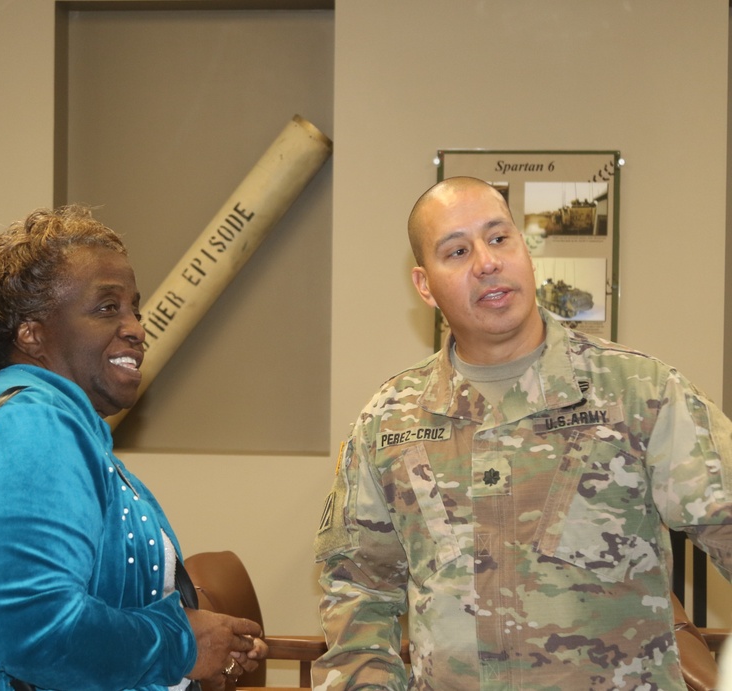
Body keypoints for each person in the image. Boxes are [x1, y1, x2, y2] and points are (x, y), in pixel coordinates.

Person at [313, 177, 732, 689]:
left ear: (525, 250)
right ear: (425, 285)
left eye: (498, 238)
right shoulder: (390, 421)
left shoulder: (639, 392)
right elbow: (359, 590)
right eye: (458, 250)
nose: (486, 262)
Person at [0, 205, 265, 690]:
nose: (137, 327)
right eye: (107, 308)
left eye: (134, 307)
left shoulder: (63, 423)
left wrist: (198, 644)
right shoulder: (31, 425)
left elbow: (90, 596)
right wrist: (182, 645)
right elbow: (35, 631)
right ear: (32, 334)